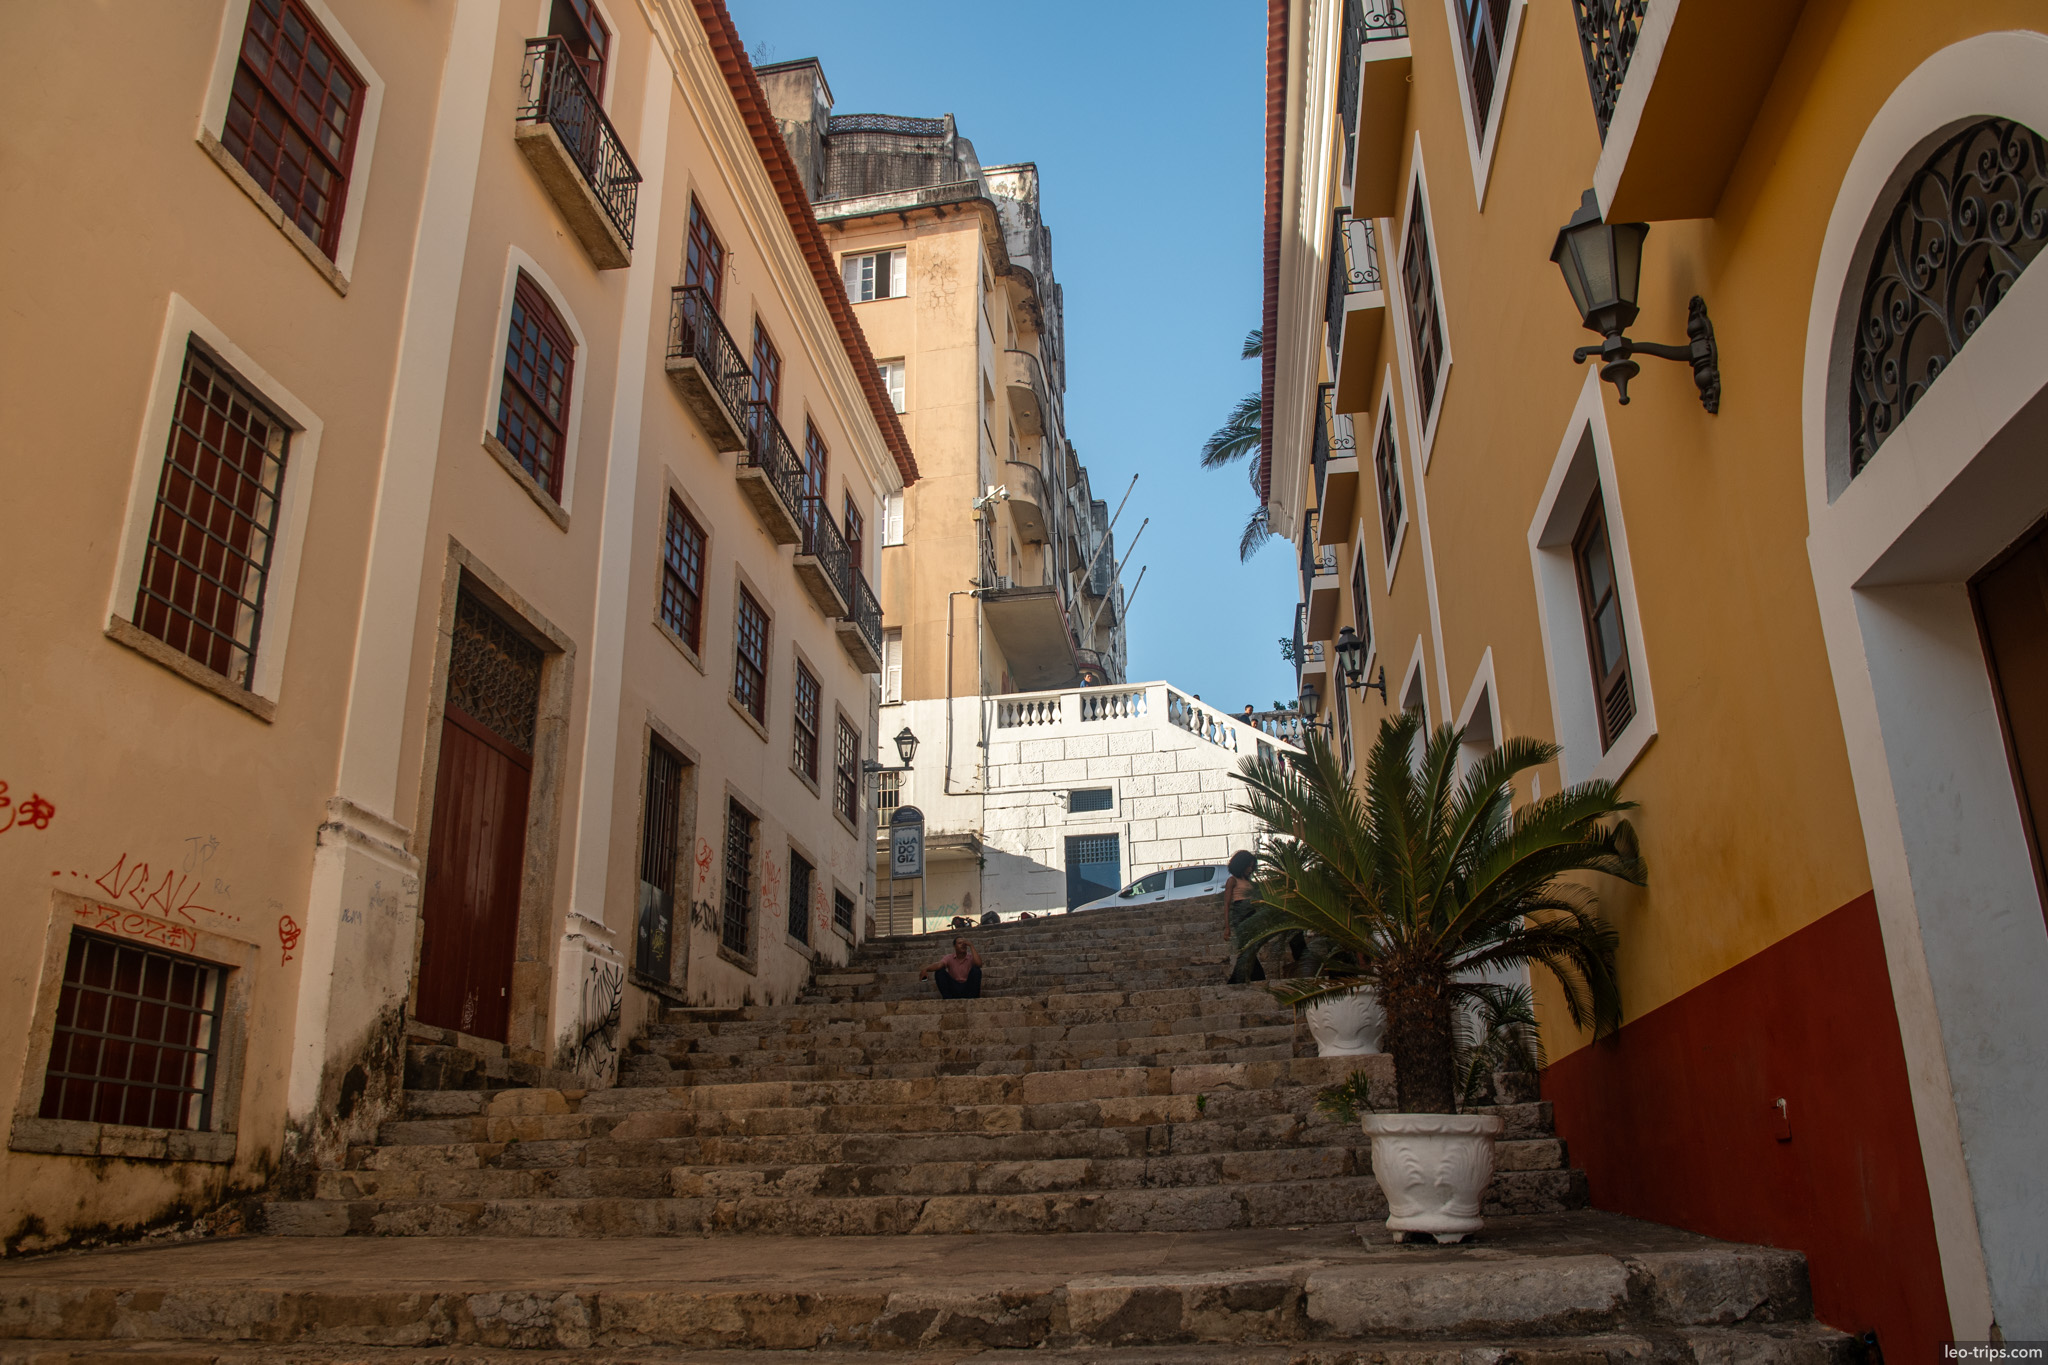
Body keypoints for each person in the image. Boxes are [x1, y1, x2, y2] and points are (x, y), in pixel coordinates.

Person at [1223, 850, 1265, 984]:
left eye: (1252, 866)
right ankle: (1257, 976)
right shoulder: (1232, 880)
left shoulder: (1249, 881)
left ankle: (1236, 979)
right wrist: (1227, 927)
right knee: (1247, 947)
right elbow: (1227, 904)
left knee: (1249, 948)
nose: (1250, 869)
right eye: (1248, 865)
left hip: (1252, 914)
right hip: (1240, 914)